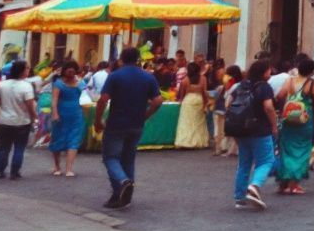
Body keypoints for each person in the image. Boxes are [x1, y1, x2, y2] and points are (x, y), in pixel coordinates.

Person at [94, 46, 163, 209]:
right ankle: (124, 194)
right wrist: (146, 115)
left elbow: (103, 99)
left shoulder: (115, 76)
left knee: (110, 157)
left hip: (116, 123)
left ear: (121, 59)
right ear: (138, 59)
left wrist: (97, 120)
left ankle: (122, 182)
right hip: (136, 123)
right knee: (128, 158)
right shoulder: (148, 77)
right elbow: (158, 100)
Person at [232, 59, 279, 210]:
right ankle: (255, 185)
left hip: (241, 128)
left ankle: (239, 197)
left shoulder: (242, 85)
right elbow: (268, 107)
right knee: (267, 160)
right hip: (260, 128)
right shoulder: (264, 87)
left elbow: (229, 103)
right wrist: (274, 125)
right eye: (268, 70)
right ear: (264, 72)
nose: (270, 72)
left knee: (244, 163)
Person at [275, 57, 314, 194]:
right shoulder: (313, 84)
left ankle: (283, 183)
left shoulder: (289, 80)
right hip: (304, 121)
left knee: (286, 151)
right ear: (312, 71)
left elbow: (279, 96)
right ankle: (294, 185)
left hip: (288, 120)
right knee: (302, 151)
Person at [0, 59, 36, 179]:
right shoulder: (27, 86)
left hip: (4, 121)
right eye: (27, 68)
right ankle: (15, 171)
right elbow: (30, 106)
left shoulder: (1, 84)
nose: (28, 70)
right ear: (22, 70)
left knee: (4, 147)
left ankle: (0, 170)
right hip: (22, 121)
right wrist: (34, 118)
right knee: (19, 147)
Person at [49, 60, 85, 177]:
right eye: (69, 69)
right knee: (58, 139)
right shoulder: (58, 83)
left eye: (73, 69)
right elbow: (54, 101)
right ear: (64, 71)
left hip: (76, 114)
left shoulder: (80, 83)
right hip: (61, 114)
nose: (71, 72)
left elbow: (86, 96)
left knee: (73, 140)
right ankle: (57, 166)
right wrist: (55, 113)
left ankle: (69, 168)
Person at [174, 61, 210, 149]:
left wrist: (180, 102)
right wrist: (206, 103)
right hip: (199, 100)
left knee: (186, 121)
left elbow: (182, 95)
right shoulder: (203, 79)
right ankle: (198, 141)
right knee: (199, 122)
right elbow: (204, 92)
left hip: (188, 100)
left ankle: (185, 141)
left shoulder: (185, 80)